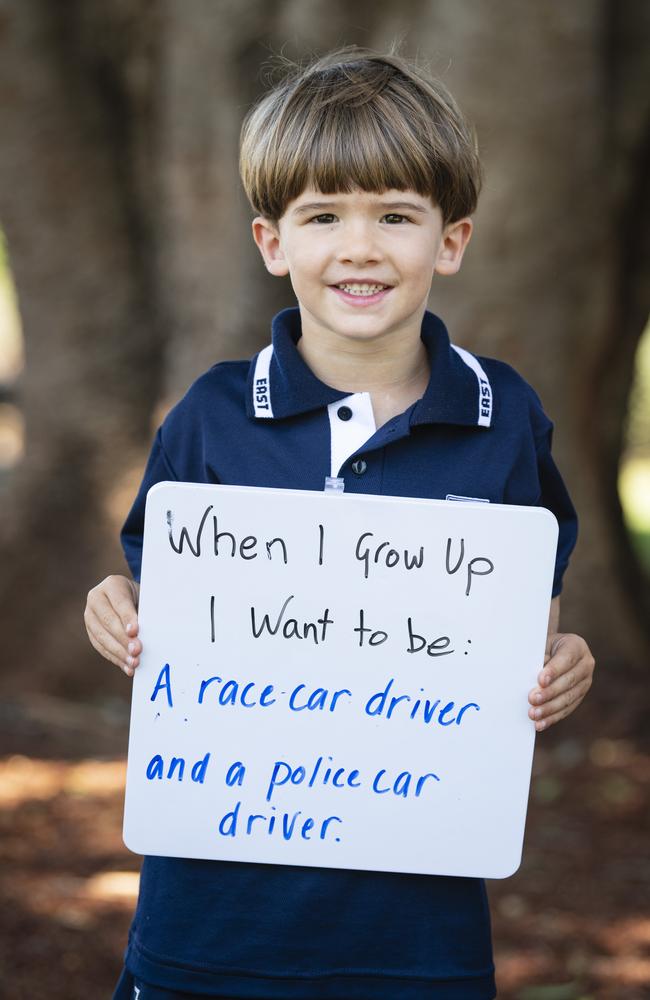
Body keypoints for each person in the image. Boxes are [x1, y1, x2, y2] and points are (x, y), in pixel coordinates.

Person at [84, 47, 595, 1000]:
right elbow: (150, 596)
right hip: (210, 920)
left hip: (416, 936)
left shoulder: (506, 413)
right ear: (273, 241)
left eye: (396, 216)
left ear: (451, 239)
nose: (360, 248)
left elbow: (535, 619)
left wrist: (564, 666)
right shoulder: (211, 415)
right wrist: (109, 609)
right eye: (323, 216)